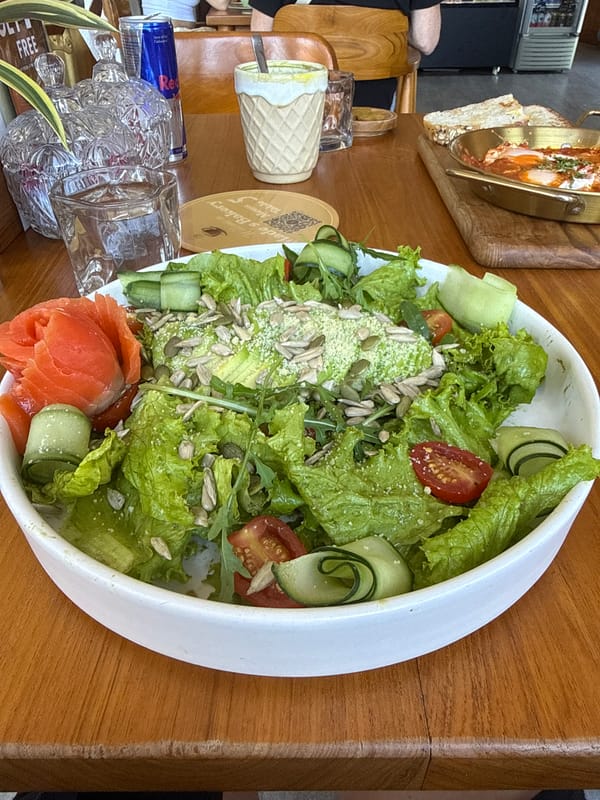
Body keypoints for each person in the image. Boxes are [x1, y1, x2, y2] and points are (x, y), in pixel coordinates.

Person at [248, 0, 442, 108]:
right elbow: (426, 40)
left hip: (293, 106)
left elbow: (259, 38)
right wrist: (392, 35)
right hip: (373, 114)